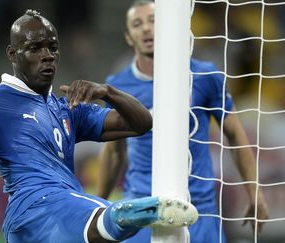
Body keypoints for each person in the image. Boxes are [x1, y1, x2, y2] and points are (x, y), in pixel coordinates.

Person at [0, 10, 199, 243]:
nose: (47, 56)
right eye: (35, 48)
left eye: (52, 47)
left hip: (44, 225)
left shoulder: (66, 107)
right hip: (37, 209)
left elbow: (141, 123)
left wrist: (108, 92)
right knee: (109, 218)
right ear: (12, 54)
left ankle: (131, 214)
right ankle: (148, 210)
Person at [97, 1, 269, 242]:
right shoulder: (118, 86)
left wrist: (254, 191)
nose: (146, 28)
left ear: (169, 26)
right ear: (128, 37)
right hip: (140, 207)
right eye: (137, 23)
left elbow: (234, 133)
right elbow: (114, 152)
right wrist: (98, 207)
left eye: (153, 20)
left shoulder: (205, 76)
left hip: (199, 208)